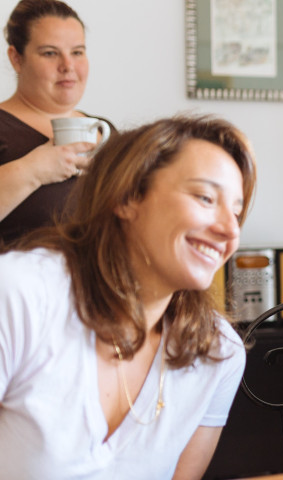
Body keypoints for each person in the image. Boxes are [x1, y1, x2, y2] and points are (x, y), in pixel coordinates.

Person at [0, 115, 256, 479]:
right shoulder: (20, 294)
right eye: (204, 197)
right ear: (127, 198)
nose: (230, 230)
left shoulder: (218, 352)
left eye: (237, 212)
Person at [0, 0, 114, 244]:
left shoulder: (105, 131)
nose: (68, 66)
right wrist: (33, 171)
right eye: (50, 53)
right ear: (16, 58)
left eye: (77, 52)